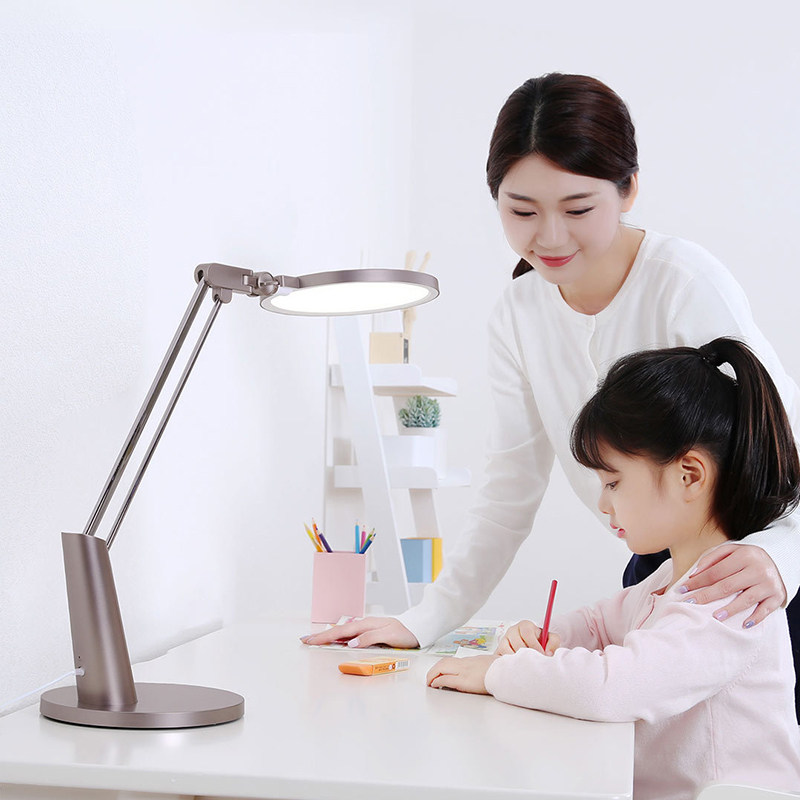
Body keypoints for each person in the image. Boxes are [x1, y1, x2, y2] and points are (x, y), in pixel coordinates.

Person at [302, 74, 800, 711]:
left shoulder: (684, 283)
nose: (551, 237)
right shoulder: (518, 313)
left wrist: (780, 554)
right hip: (659, 569)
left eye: (578, 209)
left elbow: (783, 442)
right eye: (522, 211)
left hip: (757, 574)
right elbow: (508, 492)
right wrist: (424, 621)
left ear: (629, 189)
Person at [425, 337, 800, 799]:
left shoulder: (729, 597)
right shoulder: (671, 576)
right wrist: (545, 636)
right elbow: (600, 624)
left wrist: (497, 674)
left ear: (689, 475)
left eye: (613, 483)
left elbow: (611, 688)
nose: (603, 504)